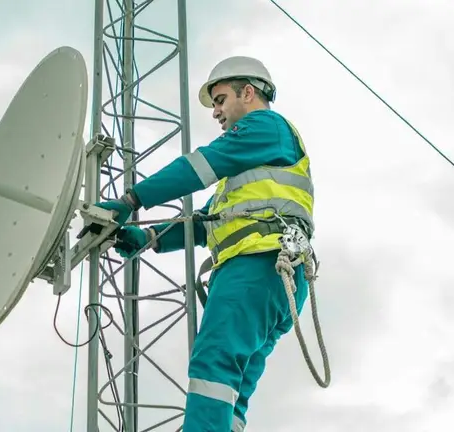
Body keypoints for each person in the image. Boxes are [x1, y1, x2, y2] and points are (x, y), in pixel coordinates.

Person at [95, 55, 315, 431]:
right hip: (278, 278)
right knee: (232, 388)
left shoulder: (265, 127)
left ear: (248, 93)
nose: (216, 111)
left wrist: (131, 200)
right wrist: (149, 237)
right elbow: (202, 224)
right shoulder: (249, 172)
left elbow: (201, 164)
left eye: (220, 99)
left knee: (213, 361)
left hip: (256, 265)